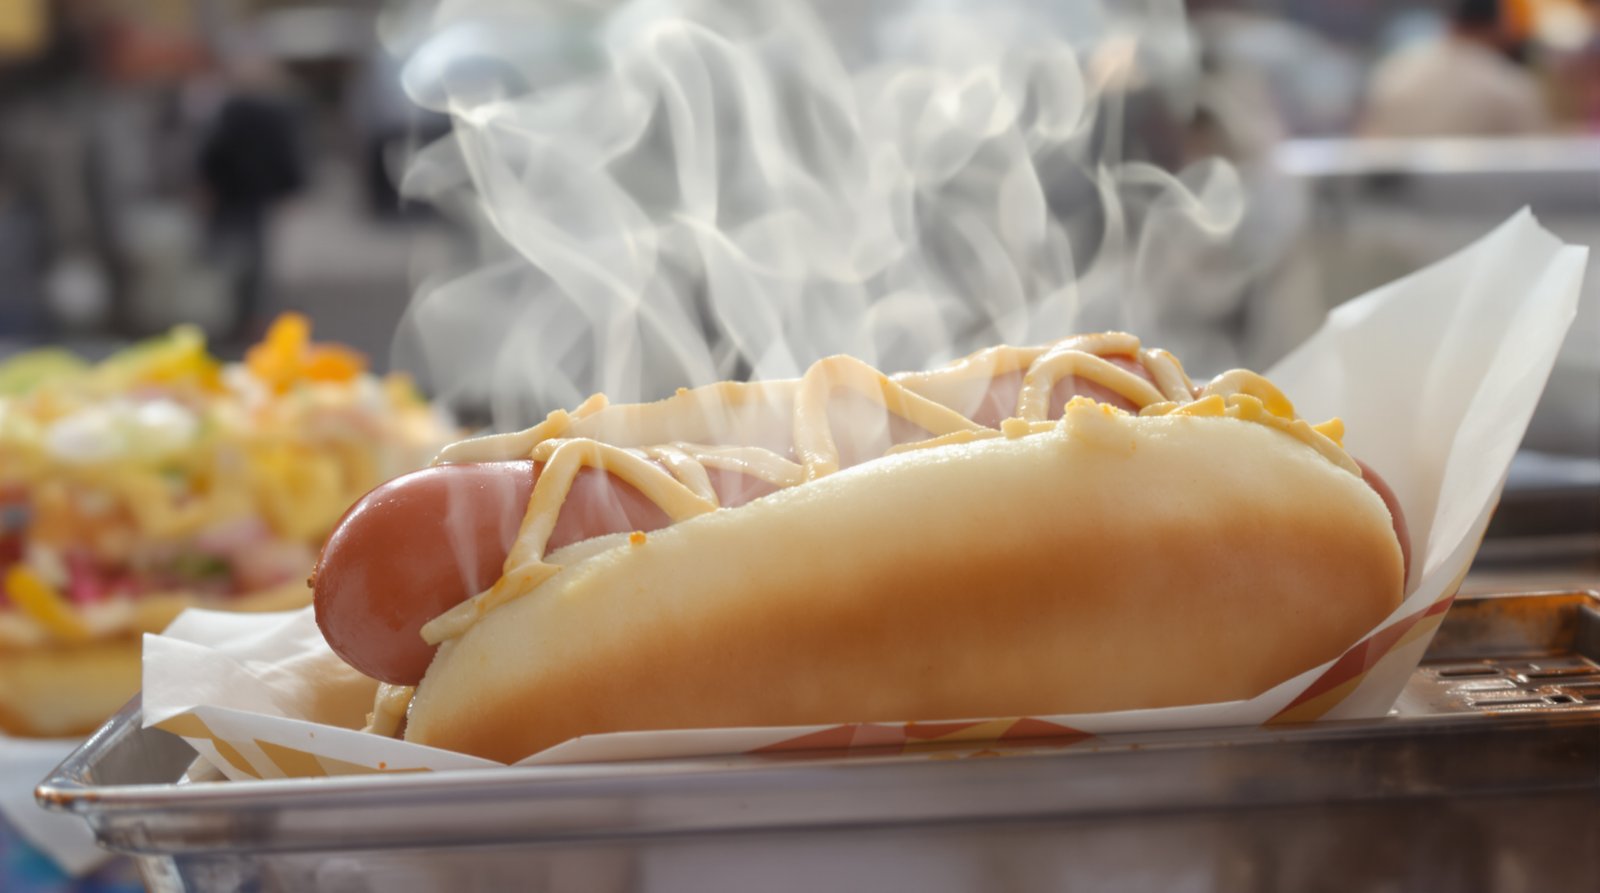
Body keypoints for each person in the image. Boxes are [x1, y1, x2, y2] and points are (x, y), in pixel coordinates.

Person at [196, 55, 306, 340]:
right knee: (251, 259)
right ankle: (247, 316)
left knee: (233, 258)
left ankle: (238, 315)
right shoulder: (267, 112)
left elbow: (212, 154)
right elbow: (284, 153)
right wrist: (288, 187)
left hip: (235, 194)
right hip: (250, 194)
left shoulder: (229, 113)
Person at [1361, 0, 1551, 137]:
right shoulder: (1509, 84)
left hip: (1394, 182)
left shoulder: (1395, 70)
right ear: (1499, 27)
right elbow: (1538, 160)